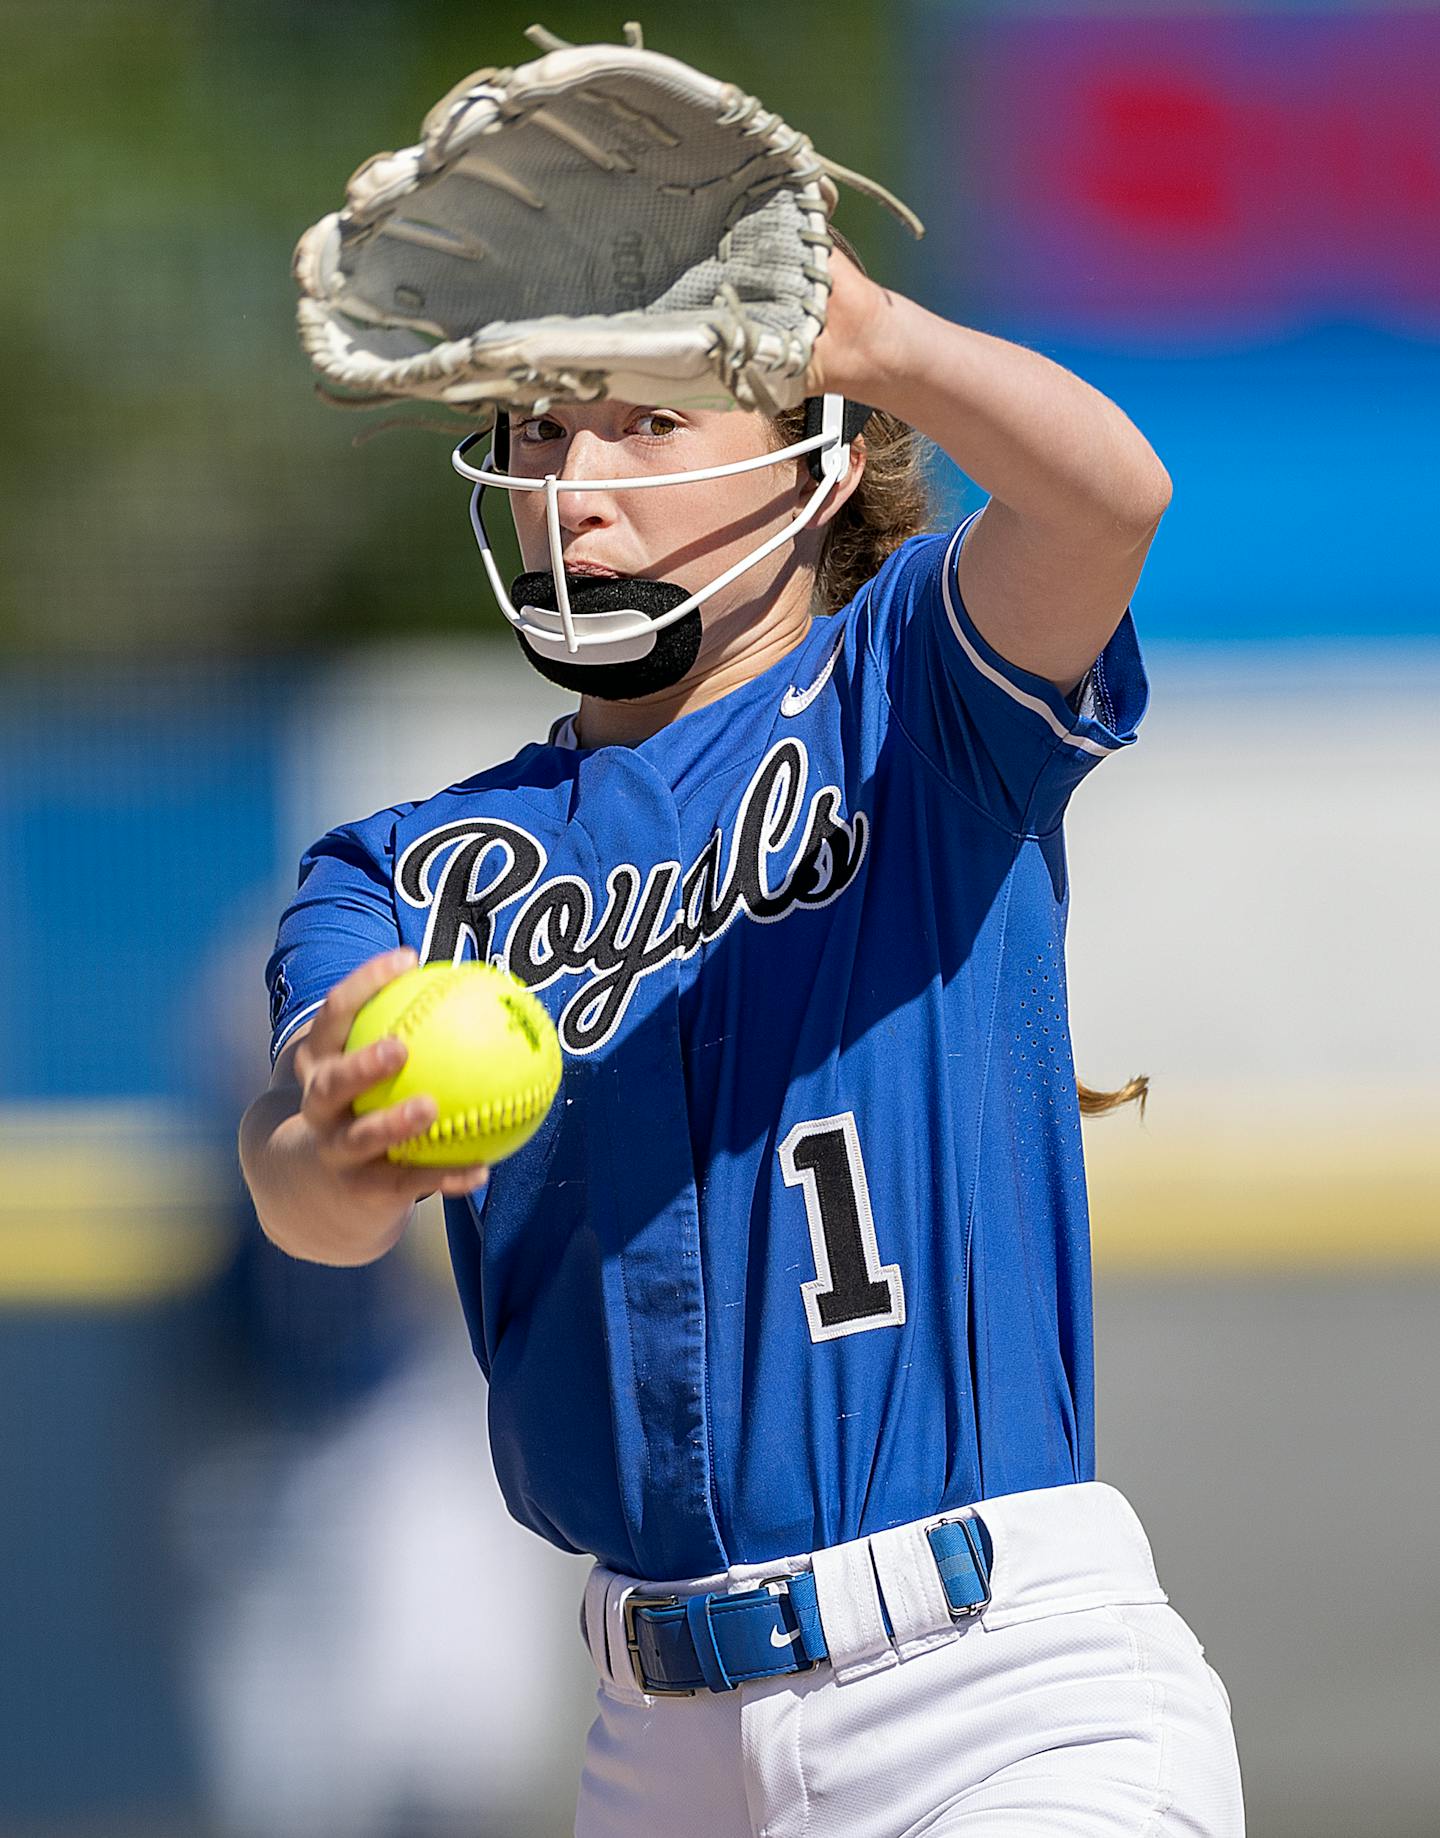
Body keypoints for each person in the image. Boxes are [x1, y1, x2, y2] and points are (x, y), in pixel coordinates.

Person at [240, 245, 1245, 1835]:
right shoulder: (412, 863)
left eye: (645, 420)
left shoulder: (913, 695)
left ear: (824, 454)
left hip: (997, 1693)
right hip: (658, 1750)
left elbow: (1109, 500)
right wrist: (346, 1154)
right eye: (539, 429)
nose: (572, 480)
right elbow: (292, 1179)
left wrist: (883, 338)